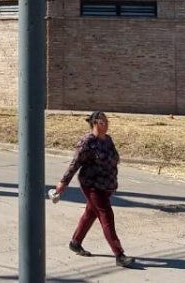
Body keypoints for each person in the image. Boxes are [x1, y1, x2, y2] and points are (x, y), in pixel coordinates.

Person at [54, 111, 134, 268]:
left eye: (107, 121)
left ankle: (75, 242)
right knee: (106, 216)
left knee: (90, 213)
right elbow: (75, 163)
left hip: (106, 186)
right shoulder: (87, 142)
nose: (107, 124)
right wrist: (63, 182)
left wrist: (113, 184)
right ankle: (119, 255)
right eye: (104, 121)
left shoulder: (108, 140)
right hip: (92, 185)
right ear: (96, 123)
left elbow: (113, 161)